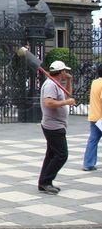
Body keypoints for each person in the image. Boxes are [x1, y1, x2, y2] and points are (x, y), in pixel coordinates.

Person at [38, 60, 76, 194]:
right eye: (65, 71)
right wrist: (67, 102)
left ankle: (44, 181)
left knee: (51, 154)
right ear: (61, 72)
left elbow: (67, 96)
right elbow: (48, 102)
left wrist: (69, 81)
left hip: (56, 124)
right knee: (61, 155)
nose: (66, 73)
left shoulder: (57, 84)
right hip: (53, 126)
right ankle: (46, 181)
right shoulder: (50, 85)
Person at [83, 64, 102, 171]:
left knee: (93, 140)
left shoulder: (95, 82)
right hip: (101, 117)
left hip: (94, 115)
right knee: (93, 139)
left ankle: (88, 163)